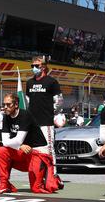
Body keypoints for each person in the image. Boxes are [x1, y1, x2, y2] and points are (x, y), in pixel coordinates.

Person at [0, 93, 58, 195]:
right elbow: (7, 140)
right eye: (4, 104)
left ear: (16, 104)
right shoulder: (5, 117)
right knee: (1, 150)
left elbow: (16, 140)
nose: (5, 107)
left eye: (8, 105)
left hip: (37, 152)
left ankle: (54, 179)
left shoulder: (25, 115)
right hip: (22, 152)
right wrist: (19, 145)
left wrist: (8, 143)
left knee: (36, 189)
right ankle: (4, 184)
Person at [25, 56, 64, 187]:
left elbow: (59, 101)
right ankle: (38, 175)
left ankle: (53, 176)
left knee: (49, 149)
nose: (34, 68)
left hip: (46, 122)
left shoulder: (51, 81)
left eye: (36, 65)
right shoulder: (29, 82)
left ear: (43, 66)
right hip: (32, 123)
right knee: (35, 150)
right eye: (32, 65)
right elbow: (27, 101)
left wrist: (49, 112)